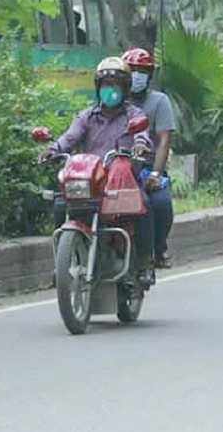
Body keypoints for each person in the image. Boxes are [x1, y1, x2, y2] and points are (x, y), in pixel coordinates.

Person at [39, 57, 155, 285]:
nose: (110, 90)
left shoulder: (135, 116)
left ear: (125, 88)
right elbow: (69, 137)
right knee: (60, 204)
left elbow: (142, 136)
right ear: (98, 88)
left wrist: (140, 146)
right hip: (91, 180)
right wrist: (53, 150)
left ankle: (144, 264)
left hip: (122, 181)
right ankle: (63, 263)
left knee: (144, 206)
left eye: (116, 85)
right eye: (106, 85)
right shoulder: (86, 116)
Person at [122, 48, 176, 269]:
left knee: (160, 204)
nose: (136, 76)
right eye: (132, 71)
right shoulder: (115, 100)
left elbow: (164, 141)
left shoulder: (159, 102)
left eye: (141, 72)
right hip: (118, 164)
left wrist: (155, 173)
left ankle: (158, 248)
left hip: (146, 167)